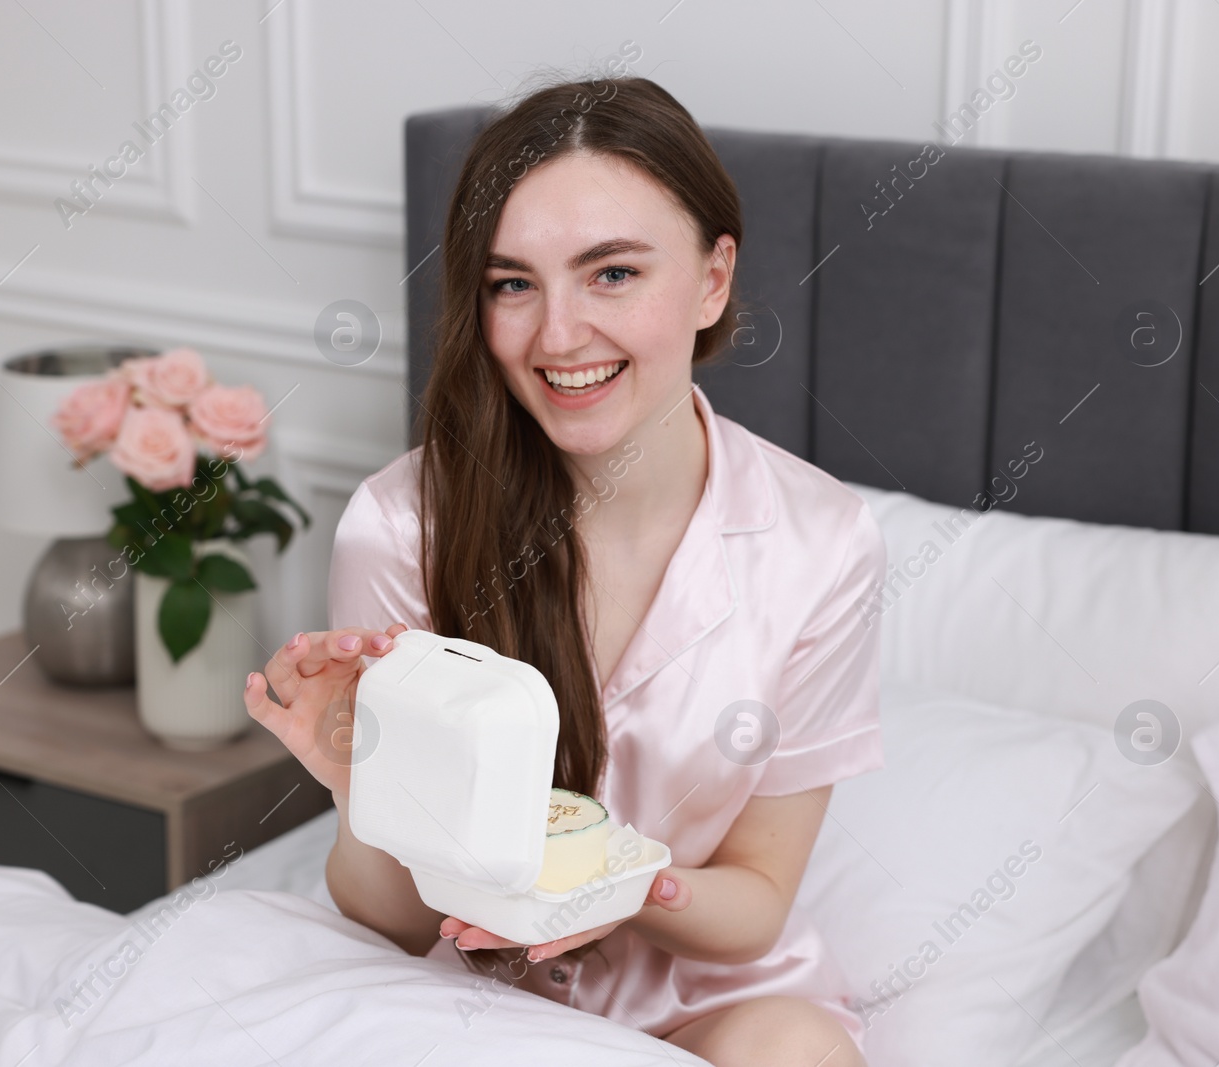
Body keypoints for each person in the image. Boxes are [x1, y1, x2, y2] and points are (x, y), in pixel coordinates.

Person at [242, 74, 885, 1067]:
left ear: (714, 278)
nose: (556, 335)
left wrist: (612, 887)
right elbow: (392, 920)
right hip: (456, 1000)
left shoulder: (821, 543)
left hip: (702, 1004)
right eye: (512, 284)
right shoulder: (399, 525)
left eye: (612, 273)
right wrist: (362, 794)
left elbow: (754, 901)